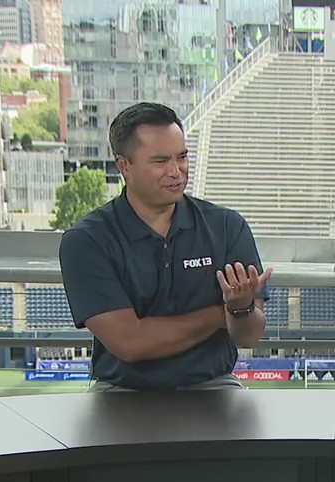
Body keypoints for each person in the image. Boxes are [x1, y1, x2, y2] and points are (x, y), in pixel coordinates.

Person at [59, 102, 272, 392]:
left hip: (214, 386)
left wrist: (240, 309)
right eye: (160, 161)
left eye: (182, 157)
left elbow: (249, 337)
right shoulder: (86, 241)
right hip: (121, 393)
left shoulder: (227, 227)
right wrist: (220, 314)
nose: (176, 171)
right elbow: (130, 343)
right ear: (124, 166)